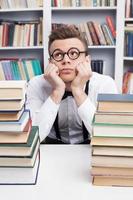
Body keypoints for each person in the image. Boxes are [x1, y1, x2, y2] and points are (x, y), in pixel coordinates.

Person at [26, 26, 118, 144]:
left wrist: (78, 91)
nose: (66, 60)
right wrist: (57, 92)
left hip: (90, 148)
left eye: (73, 53)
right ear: (50, 62)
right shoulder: (36, 84)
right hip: (51, 149)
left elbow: (108, 137)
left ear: (87, 60)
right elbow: (33, 137)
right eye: (58, 55)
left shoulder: (105, 84)